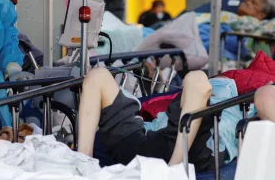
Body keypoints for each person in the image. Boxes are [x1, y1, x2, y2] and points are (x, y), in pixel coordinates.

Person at [77, 68, 219, 173]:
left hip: (183, 149)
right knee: (97, 75)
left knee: (197, 77)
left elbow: (203, 87)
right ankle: (84, 162)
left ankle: (175, 170)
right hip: (148, 142)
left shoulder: (235, 99)